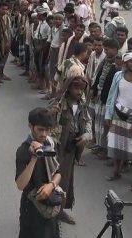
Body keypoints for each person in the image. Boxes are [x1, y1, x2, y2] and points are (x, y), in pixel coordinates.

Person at [15, 107, 63, 238]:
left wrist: (51, 185)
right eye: (40, 129)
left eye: (47, 130)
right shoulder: (23, 150)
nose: (44, 134)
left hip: (49, 204)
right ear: (31, 127)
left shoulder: (50, 144)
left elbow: (58, 172)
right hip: (31, 208)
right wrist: (34, 157)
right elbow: (20, 185)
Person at [51, 76, 91, 225]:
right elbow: (45, 119)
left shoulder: (82, 104)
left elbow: (87, 122)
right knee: (51, 178)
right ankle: (48, 209)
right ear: (68, 88)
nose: (79, 92)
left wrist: (86, 135)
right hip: (56, 147)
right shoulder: (60, 103)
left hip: (70, 148)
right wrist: (51, 112)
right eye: (76, 88)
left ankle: (59, 210)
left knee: (65, 180)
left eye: (82, 89)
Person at [105, 52, 132, 181]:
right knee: (116, 144)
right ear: (126, 63)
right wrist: (108, 114)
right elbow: (111, 96)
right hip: (118, 113)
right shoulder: (118, 76)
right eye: (131, 61)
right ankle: (115, 171)